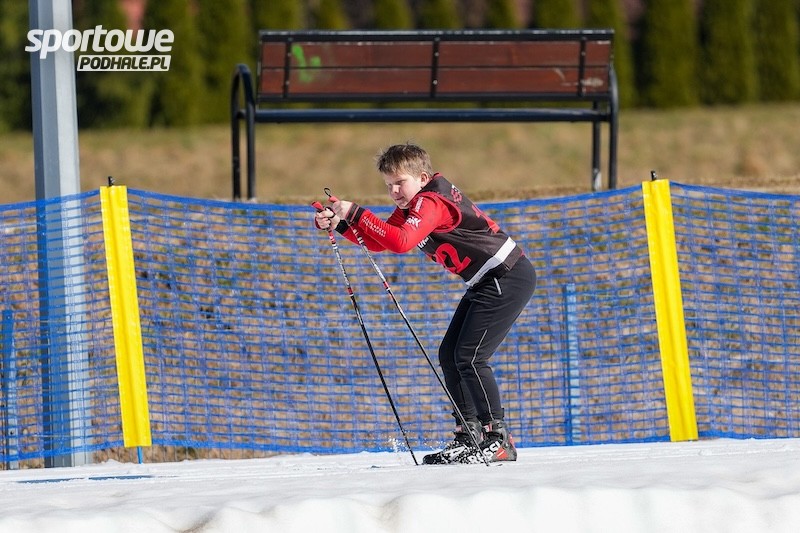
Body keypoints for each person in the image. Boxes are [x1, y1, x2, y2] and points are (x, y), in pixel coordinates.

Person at [314, 142, 536, 464]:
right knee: (450, 354)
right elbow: (382, 240)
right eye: (388, 185)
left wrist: (356, 212)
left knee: (470, 357)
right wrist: (343, 224)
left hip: (507, 275)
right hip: (486, 280)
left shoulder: (430, 201)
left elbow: (401, 241)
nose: (393, 191)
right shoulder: (414, 204)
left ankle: (498, 438)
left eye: (399, 183)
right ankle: (469, 435)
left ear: (421, 177)